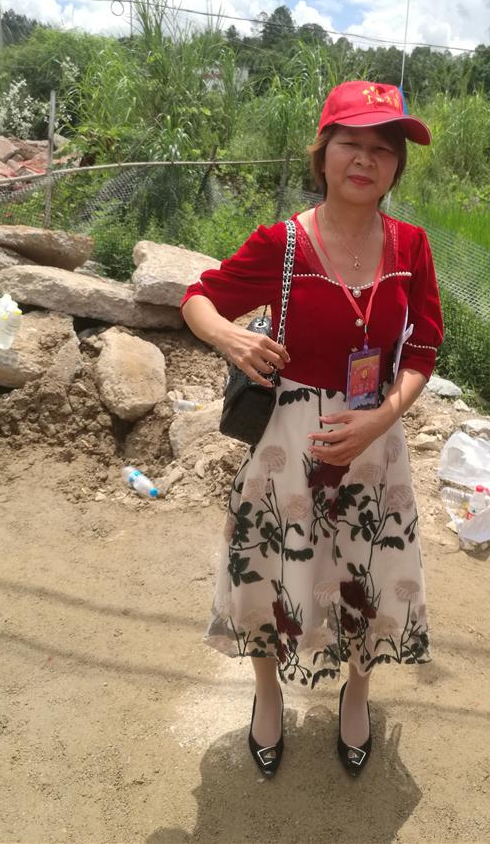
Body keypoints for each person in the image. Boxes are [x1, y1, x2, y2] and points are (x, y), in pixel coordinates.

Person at [180, 81, 442, 778]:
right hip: (288, 439)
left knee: (368, 570)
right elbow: (198, 296)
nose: (366, 159)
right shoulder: (284, 243)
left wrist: (381, 417)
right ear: (322, 153)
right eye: (350, 143)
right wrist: (230, 338)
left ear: (396, 166)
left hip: (373, 442)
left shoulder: (411, 247)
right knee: (268, 567)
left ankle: (357, 691)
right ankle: (267, 693)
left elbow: (421, 349)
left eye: (383, 148)